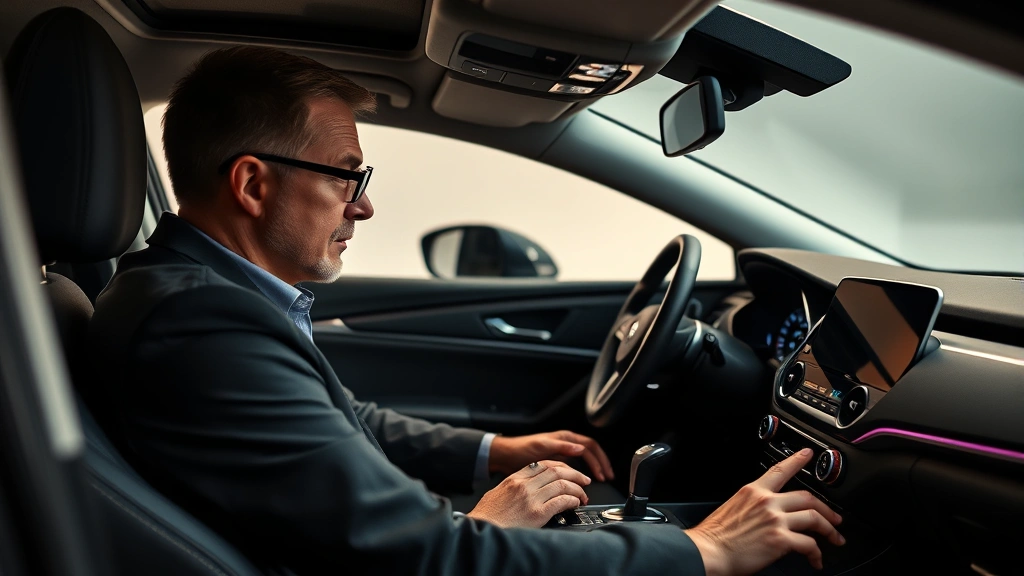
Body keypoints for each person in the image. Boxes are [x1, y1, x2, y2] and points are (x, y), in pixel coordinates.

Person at [89, 46, 844, 576]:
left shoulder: (193, 295)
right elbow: (428, 559)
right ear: (253, 185)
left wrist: (496, 452)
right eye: (346, 177)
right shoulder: (203, 327)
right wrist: (706, 550)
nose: (365, 205)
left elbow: (343, 420)